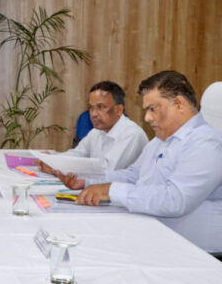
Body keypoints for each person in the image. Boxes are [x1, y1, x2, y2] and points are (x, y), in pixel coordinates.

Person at [58, 71, 222, 252]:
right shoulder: (160, 140)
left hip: (196, 254)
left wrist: (111, 191)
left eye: (153, 109)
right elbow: (133, 176)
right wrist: (88, 181)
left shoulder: (207, 143)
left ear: (179, 104)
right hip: (157, 239)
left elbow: (175, 200)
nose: (147, 118)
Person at [39, 81, 148, 173]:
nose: (94, 114)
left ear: (118, 110)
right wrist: (52, 160)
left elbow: (106, 172)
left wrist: (56, 169)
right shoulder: (96, 132)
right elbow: (77, 154)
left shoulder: (132, 134)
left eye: (101, 107)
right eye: (91, 107)